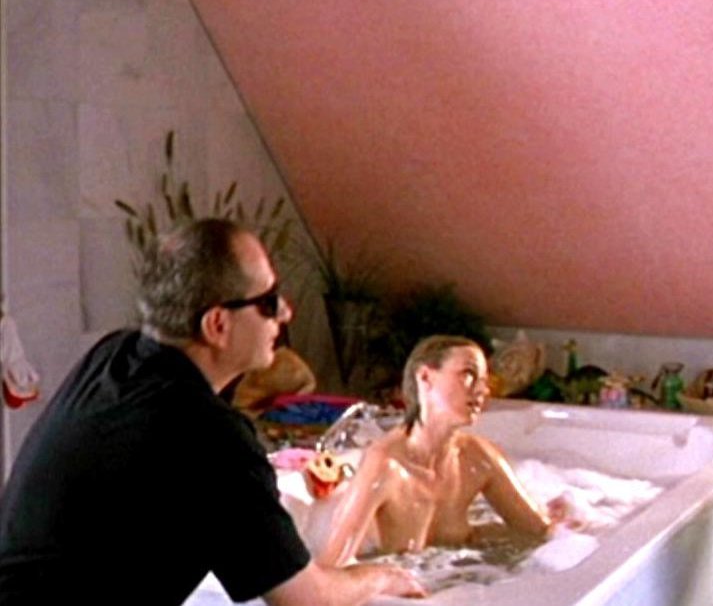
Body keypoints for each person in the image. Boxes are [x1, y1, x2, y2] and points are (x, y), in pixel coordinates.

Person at [0, 219, 424, 606]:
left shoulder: (115, 356)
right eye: (268, 302)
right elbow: (307, 599)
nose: (285, 313)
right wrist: (377, 578)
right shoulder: (210, 436)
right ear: (217, 325)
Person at [314, 335, 571, 567]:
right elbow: (331, 568)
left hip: (460, 581)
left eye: (483, 380)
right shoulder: (385, 466)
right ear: (425, 378)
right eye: (468, 374)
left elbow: (540, 532)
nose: (483, 390)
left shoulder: (478, 459)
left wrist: (568, 524)